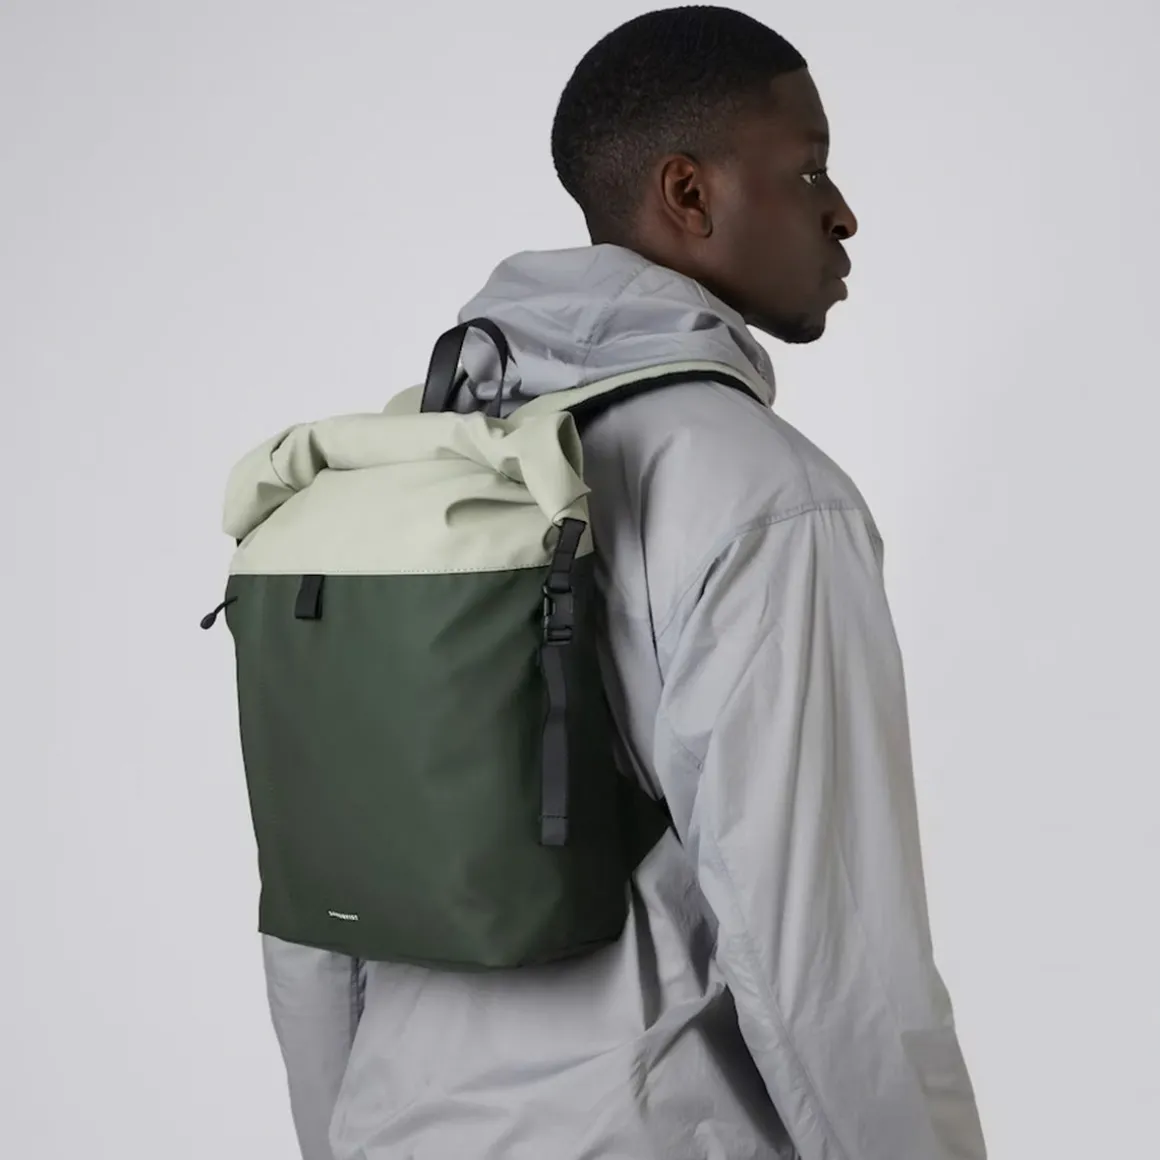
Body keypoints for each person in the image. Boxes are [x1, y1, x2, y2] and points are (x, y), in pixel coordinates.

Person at [262, 7, 988, 1158]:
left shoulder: (407, 483)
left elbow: (317, 910)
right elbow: (828, 956)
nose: (841, 210)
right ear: (686, 193)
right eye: (807, 166)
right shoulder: (762, 495)